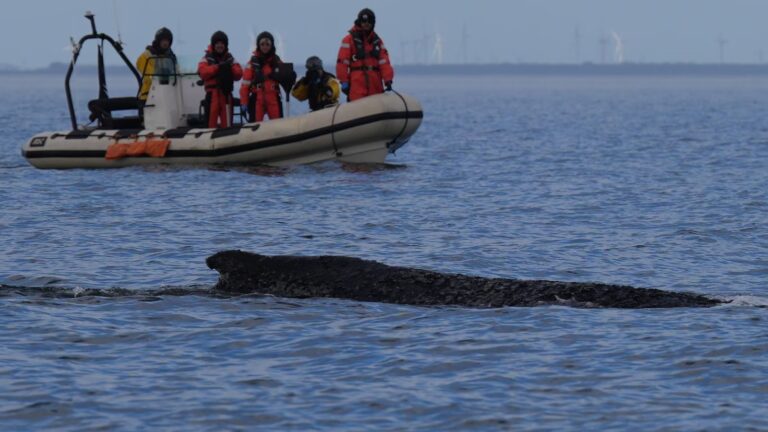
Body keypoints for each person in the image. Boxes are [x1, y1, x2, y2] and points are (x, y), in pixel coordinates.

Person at [336, 8, 394, 102]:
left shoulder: (377, 42)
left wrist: (388, 79)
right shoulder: (349, 40)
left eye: (369, 21)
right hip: (357, 86)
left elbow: (384, 63)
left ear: (373, 23)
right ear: (359, 21)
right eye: (364, 21)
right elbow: (342, 63)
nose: (366, 23)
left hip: (375, 86)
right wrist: (344, 82)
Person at [240, 31, 295, 122]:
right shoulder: (252, 63)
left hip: (273, 97)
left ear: (271, 45)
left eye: (267, 44)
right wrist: (244, 102)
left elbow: (286, 76)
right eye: (262, 44)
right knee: (255, 126)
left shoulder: (277, 61)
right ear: (258, 45)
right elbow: (245, 85)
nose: (265, 47)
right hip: (257, 98)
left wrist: (291, 76)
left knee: (277, 125)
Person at [198, 31, 243, 128]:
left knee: (227, 125)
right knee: (210, 126)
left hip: (226, 95)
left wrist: (228, 67)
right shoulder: (206, 58)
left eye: (222, 43)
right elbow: (202, 72)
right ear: (213, 45)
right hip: (212, 95)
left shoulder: (230, 59)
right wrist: (218, 67)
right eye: (217, 43)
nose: (220, 46)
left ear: (225, 45)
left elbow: (239, 74)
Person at [136, 27, 177, 103]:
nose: (165, 43)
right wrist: (161, 75)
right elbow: (149, 76)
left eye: (167, 41)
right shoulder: (147, 55)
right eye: (163, 41)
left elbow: (176, 72)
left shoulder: (171, 57)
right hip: (149, 95)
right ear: (158, 41)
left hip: (168, 94)